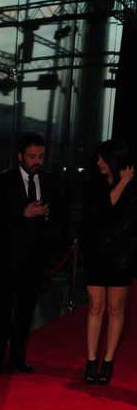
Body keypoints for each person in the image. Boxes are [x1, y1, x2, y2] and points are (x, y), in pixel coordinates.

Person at [0, 132, 57, 380]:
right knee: (3, 311)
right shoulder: (3, 181)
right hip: (8, 258)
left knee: (26, 311)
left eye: (41, 156)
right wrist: (22, 213)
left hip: (35, 260)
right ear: (20, 156)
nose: (37, 161)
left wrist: (47, 214)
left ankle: (18, 358)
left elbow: (60, 215)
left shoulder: (49, 181)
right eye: (32, 156)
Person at [80, 138, 136, 385]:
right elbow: (101, 211)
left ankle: (109, 359)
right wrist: (123, 181)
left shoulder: (134, 188)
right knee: (95, 307)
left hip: (122, 256)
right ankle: (91, 359)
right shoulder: (95, 185)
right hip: (95, 254)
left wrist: (126, 183)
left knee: (115, 309)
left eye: (103, 158)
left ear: (115, 159)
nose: (98, 162)